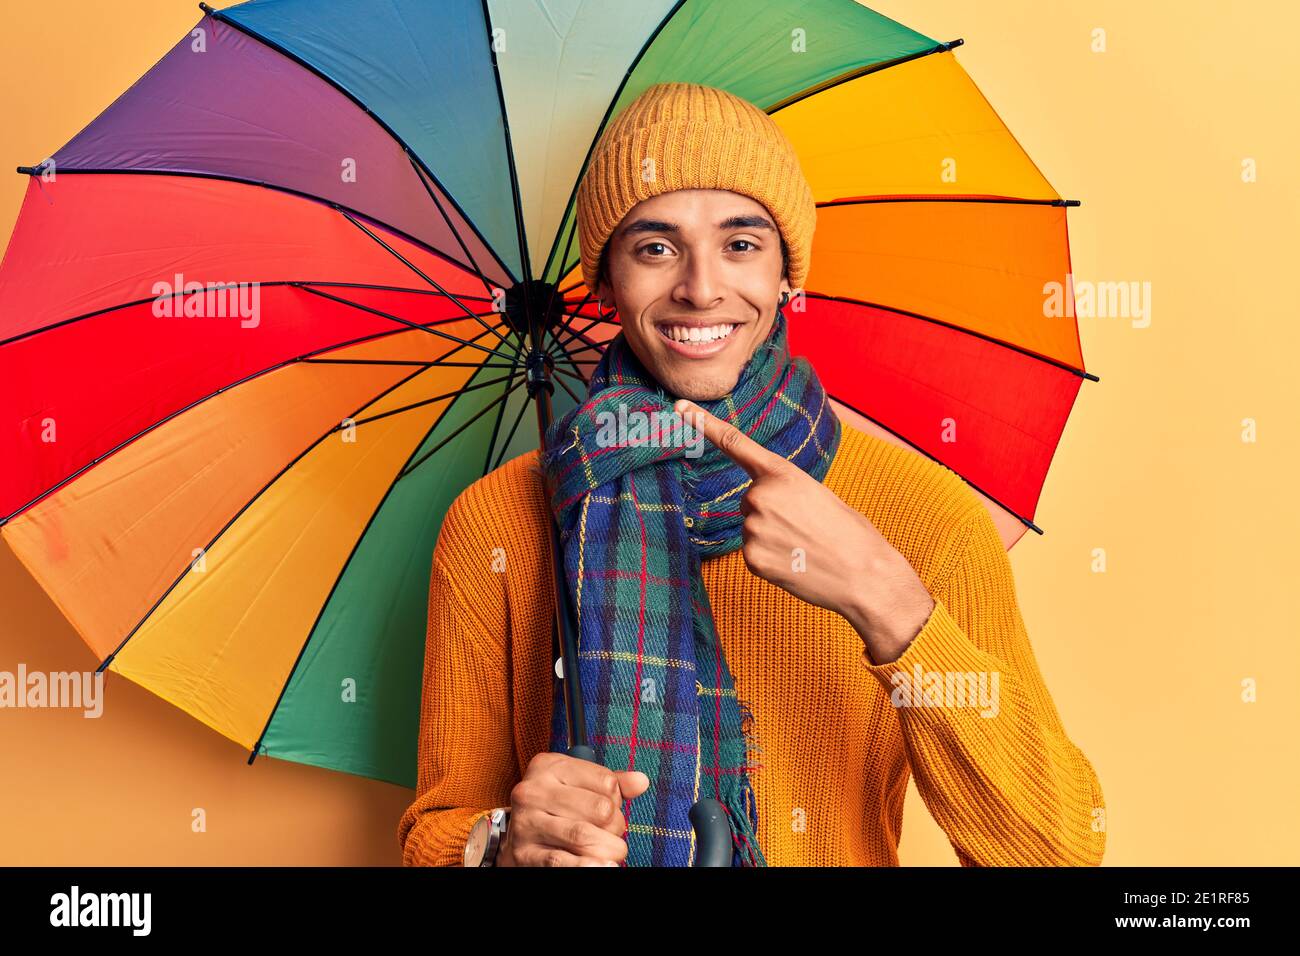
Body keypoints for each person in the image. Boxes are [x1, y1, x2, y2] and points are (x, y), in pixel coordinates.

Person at [397, 82, 1106, 867]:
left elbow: (1059, 851)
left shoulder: (924, 513)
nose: (702, 288)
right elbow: (438, 826)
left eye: (741, 244)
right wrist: (499, 843)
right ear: (604, 283)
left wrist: (886, 597)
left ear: (786, 277)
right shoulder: (498, 520)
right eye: (655, 247)